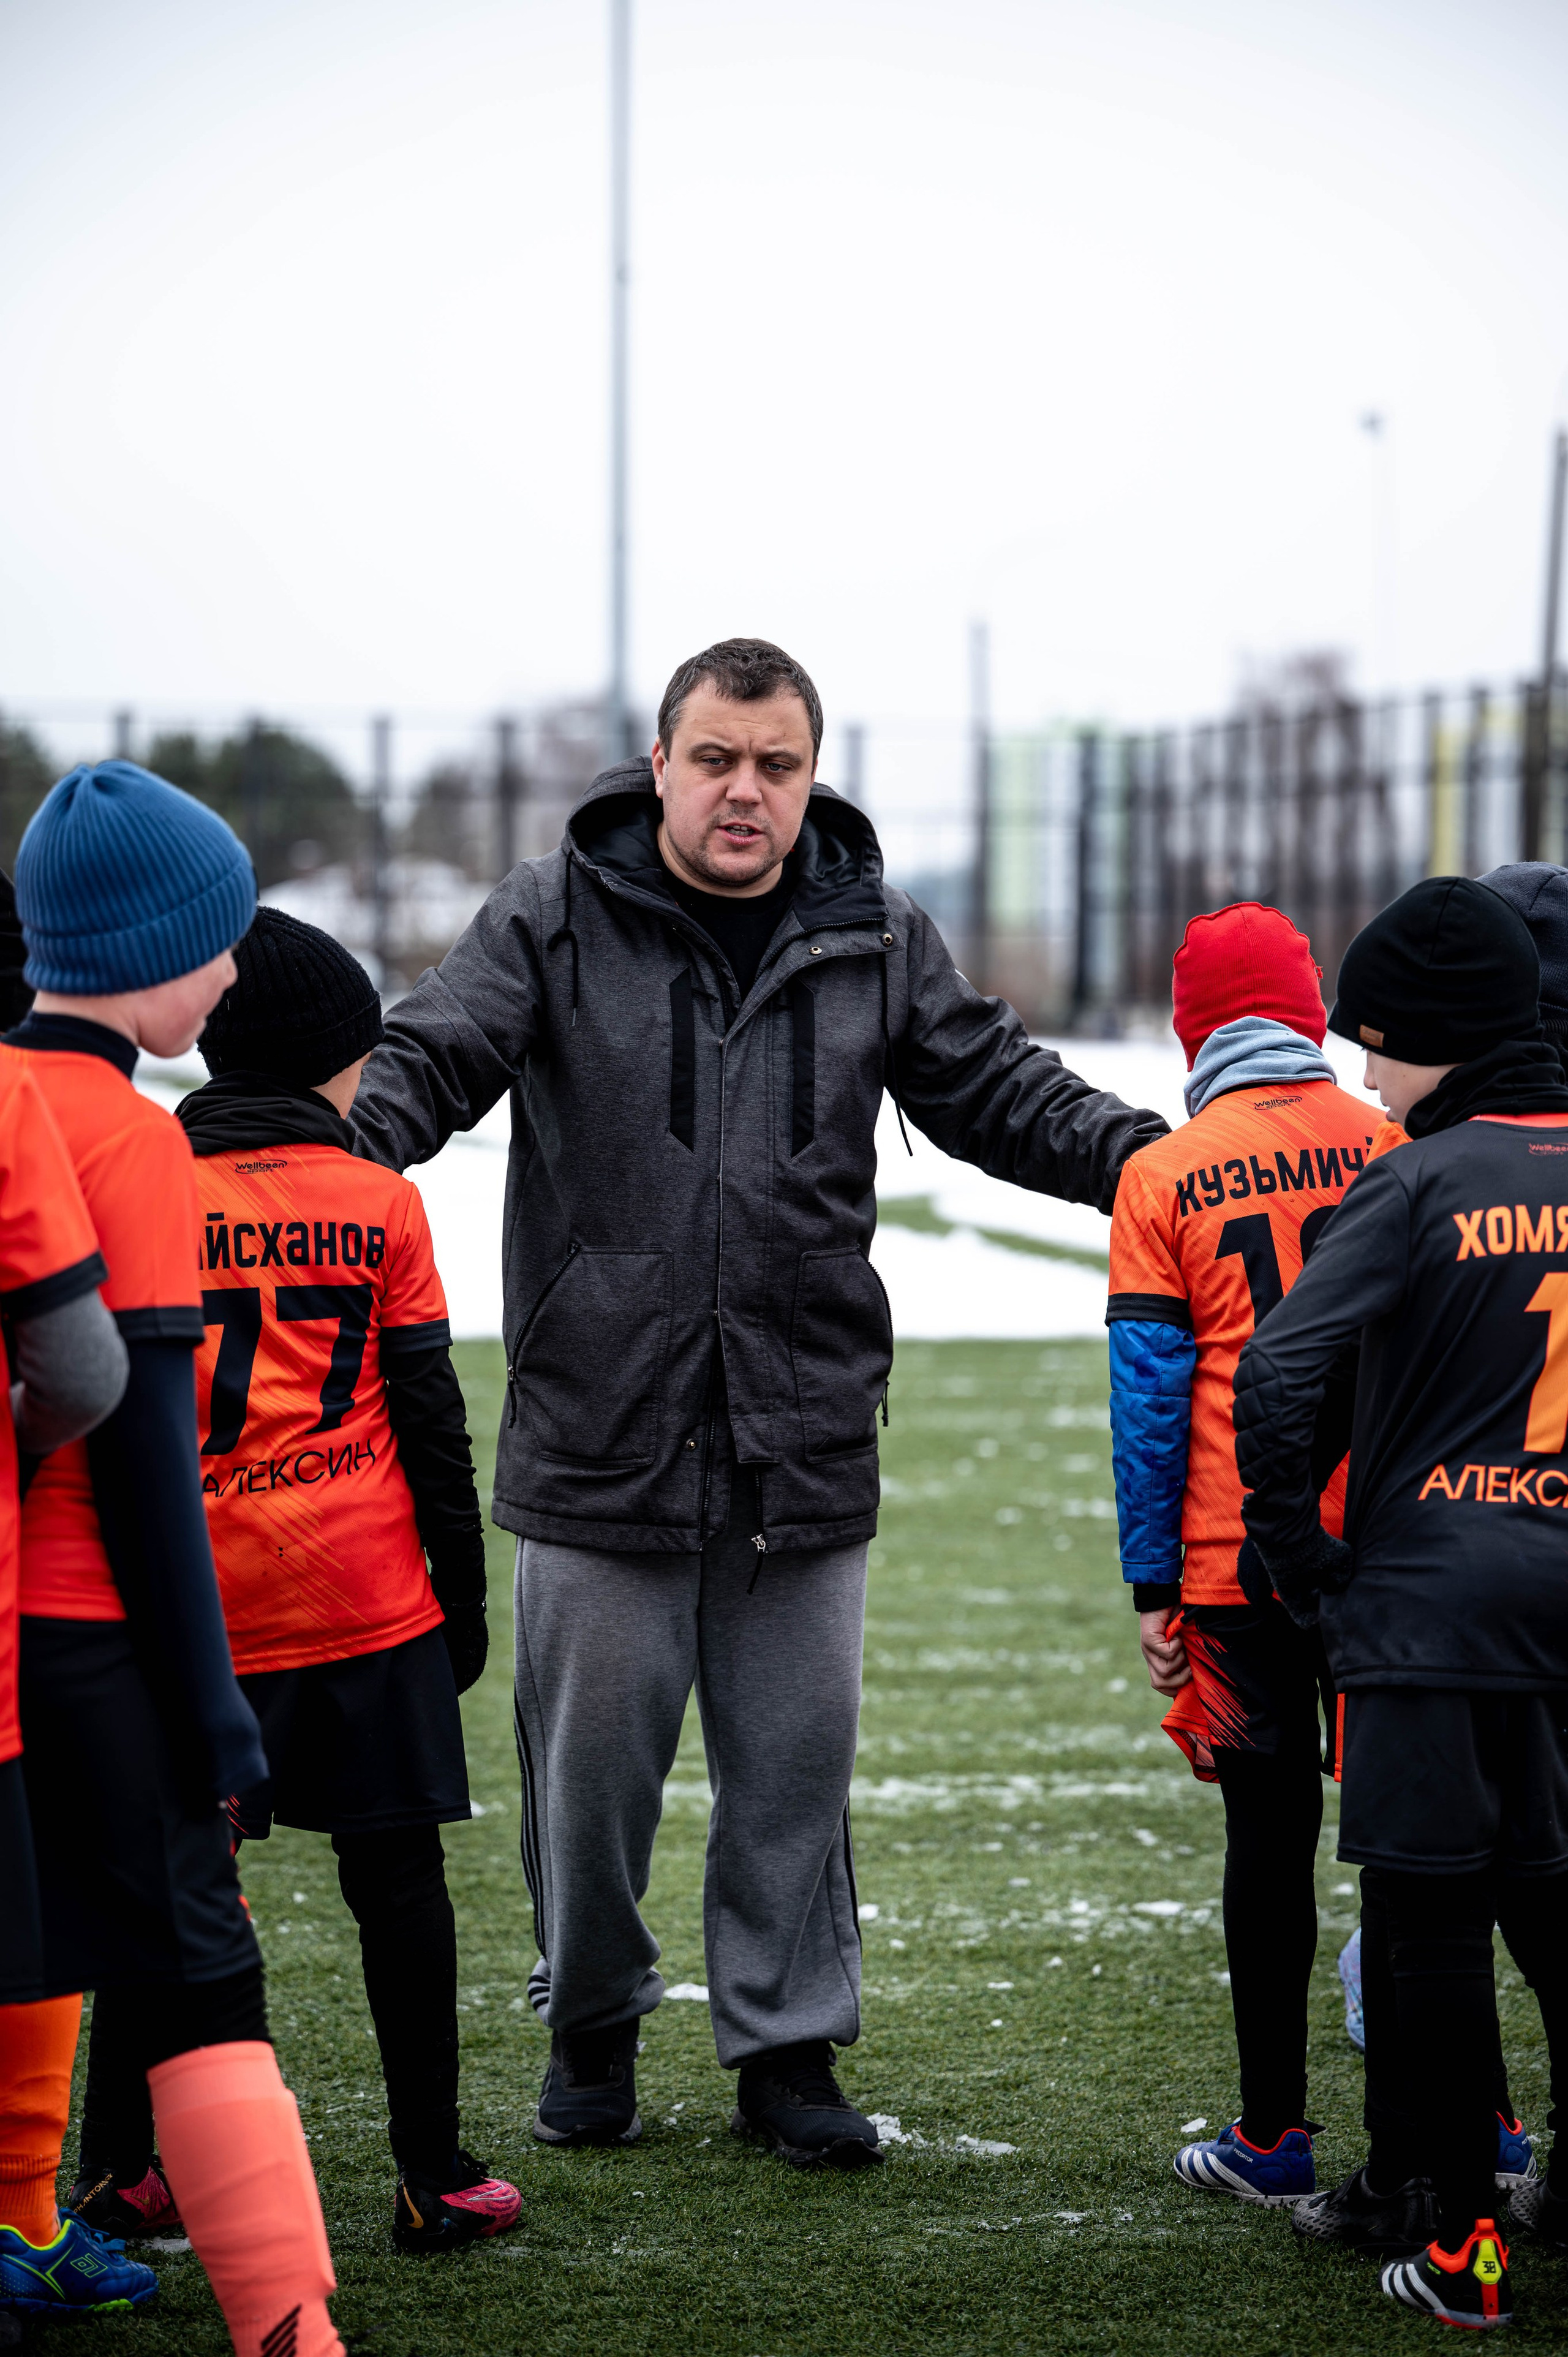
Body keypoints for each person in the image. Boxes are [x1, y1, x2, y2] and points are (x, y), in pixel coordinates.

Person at [350, 636, 1169, 2163]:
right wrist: (320, 1160)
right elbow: (432, 1055)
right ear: (658, 762)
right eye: (716, 759)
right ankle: (590, 2022)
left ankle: (785, 2054)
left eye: (776, 765)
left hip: (798, 1432)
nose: (746, 792)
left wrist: (1152, 1159)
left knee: (792, 1773)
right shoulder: (549, 912)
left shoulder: (871, 931)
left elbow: (998, 1089)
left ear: (810, 776)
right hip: (600, 1426)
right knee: (587, 1781)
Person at [68, 907, 521, 2255]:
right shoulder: (383, 1199)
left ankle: (121, 2172)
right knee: (400, 1889)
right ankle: (431, 2172)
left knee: (171, 1887)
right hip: (363, 1600)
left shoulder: (140, 1179)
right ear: (336, 1059)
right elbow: (431, 1420)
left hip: (191, 1611)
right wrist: (460, 1600)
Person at [10, 762, 346, 2357]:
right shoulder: (131, 1143)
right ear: (148, 951)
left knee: (29, 1944)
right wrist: (214, 1708)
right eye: (216, 943)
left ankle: (26, 2223)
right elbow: (141, 1456)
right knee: (208, 1981)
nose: (230, 974)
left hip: (13, 1639)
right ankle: (290, 2325)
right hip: (98, 1638)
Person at [1234, 875, 1568, 2331]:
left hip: (1426, 1607)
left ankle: (1459, 2250)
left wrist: (1297, 1560)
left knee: (1422, 1923)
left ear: (1436, 1033)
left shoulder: (1417, 1176)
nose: (1360, 1070)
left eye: (1373, 1041)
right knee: (1554, 1903)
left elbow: (1278, 1369)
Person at [1106, 901, 1376, 2207]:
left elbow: (1151, 1402)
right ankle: (1483, 2127)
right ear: (1310, 1014)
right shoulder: (1396, 1142)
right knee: (1430, 1844)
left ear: (1193, 1029)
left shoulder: (1164, 1170)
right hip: (1391, 1552)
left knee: (1266, 1843)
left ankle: (1274, 2134)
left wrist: (1151, 1583)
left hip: (1234, 1564)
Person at [0, 972, 150, 2325]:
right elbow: (91, 1374)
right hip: (55, 1606)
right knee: (34, 1921)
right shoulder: (37, 1103)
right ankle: (28, 2208)